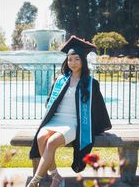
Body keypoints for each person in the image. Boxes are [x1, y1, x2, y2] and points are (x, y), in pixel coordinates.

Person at [28, 35, 112, 187]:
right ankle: (56, 176)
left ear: (83, 61)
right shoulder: (60, 80)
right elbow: (49, 102)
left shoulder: (91, 84)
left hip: (73, 122)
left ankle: (35, 181)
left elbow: (98, 108)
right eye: (70, 59)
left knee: (52, 142)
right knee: (41, 138)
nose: (72, 63)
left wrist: (99, 129)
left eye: (76, 59)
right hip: (56, 120)